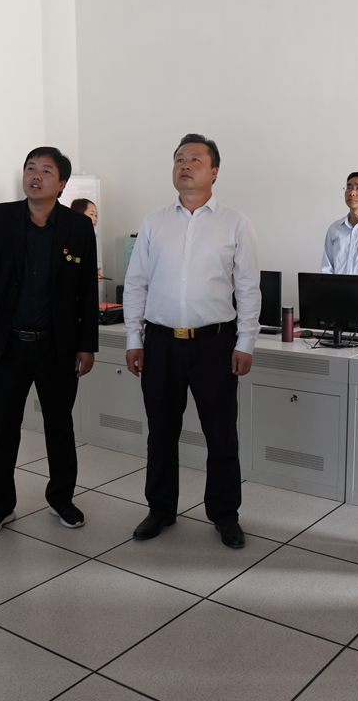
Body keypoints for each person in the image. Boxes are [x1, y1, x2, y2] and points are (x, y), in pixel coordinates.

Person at [122, 133, 261, 549]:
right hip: (160, 342)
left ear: (214, 171)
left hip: (214, 344)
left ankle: (224, 514)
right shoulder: (153, 222)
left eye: (195, 159)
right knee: (161, 432)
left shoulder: (235, 223)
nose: (185, 165)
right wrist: (133, 337)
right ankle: (160, 509)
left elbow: (248, 288)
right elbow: (136, 283)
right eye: (179, 158)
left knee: (221, 434)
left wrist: (246, 342)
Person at [0, 147, 99, 538]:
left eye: (46, 171)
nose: (35, 176)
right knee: (3, 429)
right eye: (30, 168)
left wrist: (87, 344)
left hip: (57, 346)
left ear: (62, 184)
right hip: (8, 343)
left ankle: (61, 498)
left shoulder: (78, 226)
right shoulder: (0, 217)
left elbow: (86, 293)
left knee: (59, 427)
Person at [69, 198, 105, 281]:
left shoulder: (87, 238)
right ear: (79, 214)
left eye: (96, 215)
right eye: (91, 214)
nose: (95, 219)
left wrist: (91, 273)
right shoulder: (70, 238)